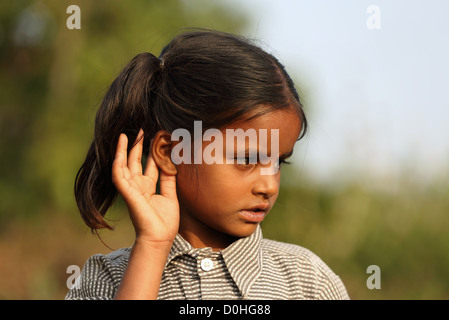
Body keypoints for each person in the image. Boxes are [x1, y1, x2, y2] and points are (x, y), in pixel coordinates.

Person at [65, 29, 349, 300]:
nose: (269, 185)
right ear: (170, 152)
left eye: (278, 162)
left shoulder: (307, 280)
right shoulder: (106, 278)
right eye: (247, 159)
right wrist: (151, 247)